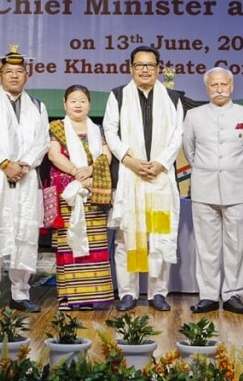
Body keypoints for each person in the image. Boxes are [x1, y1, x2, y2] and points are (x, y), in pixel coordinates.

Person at [104, 45, 184, 312]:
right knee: (128, 236)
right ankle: (128, 292)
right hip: (131, 177)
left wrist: (160, 163)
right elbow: (110, 132)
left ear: (159, 68)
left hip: (160, 179)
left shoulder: (173, 98)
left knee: (159, 235)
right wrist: (130, 160)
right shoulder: (118, 95)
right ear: (131, 68)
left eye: (150, 65)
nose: (145, 70)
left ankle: (157, 292)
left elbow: (177, 136)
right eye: (140, 65)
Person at [0, 46, 50, 314]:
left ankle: (20, 293)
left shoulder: (38, 106)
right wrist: (5, 163)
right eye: (9, 72)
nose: (14, 76)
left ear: (26, 76)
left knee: (24, 236)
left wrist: (24, 164)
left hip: (26, 178)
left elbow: (43, 141)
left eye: (19, 72)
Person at [182, 67, 243, 315]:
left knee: (236, 245)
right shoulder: (194, 115)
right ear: (207, 88)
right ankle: (209, 295)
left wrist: (233, 171)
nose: (219, 89)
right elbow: (189, 151)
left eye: (223, 84)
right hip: (204, 189)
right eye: (214, 85)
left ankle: (234, 294)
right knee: (207, 246)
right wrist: (209, 169)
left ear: (232, 86)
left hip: (238, 189)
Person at [46, 84, 114, 311]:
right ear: (65, 104)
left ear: (89, 105)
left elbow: (106, 155)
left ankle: (89, 297)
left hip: (94, 191)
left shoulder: (98, 129)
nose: (78, 104)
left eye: (83, 100)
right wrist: (78, 173)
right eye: (73, 100)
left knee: (94, 244)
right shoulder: (56, 127)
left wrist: (92, 171)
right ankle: (68, 297)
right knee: (68, 244)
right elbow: (54, 155)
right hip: (68, 193)